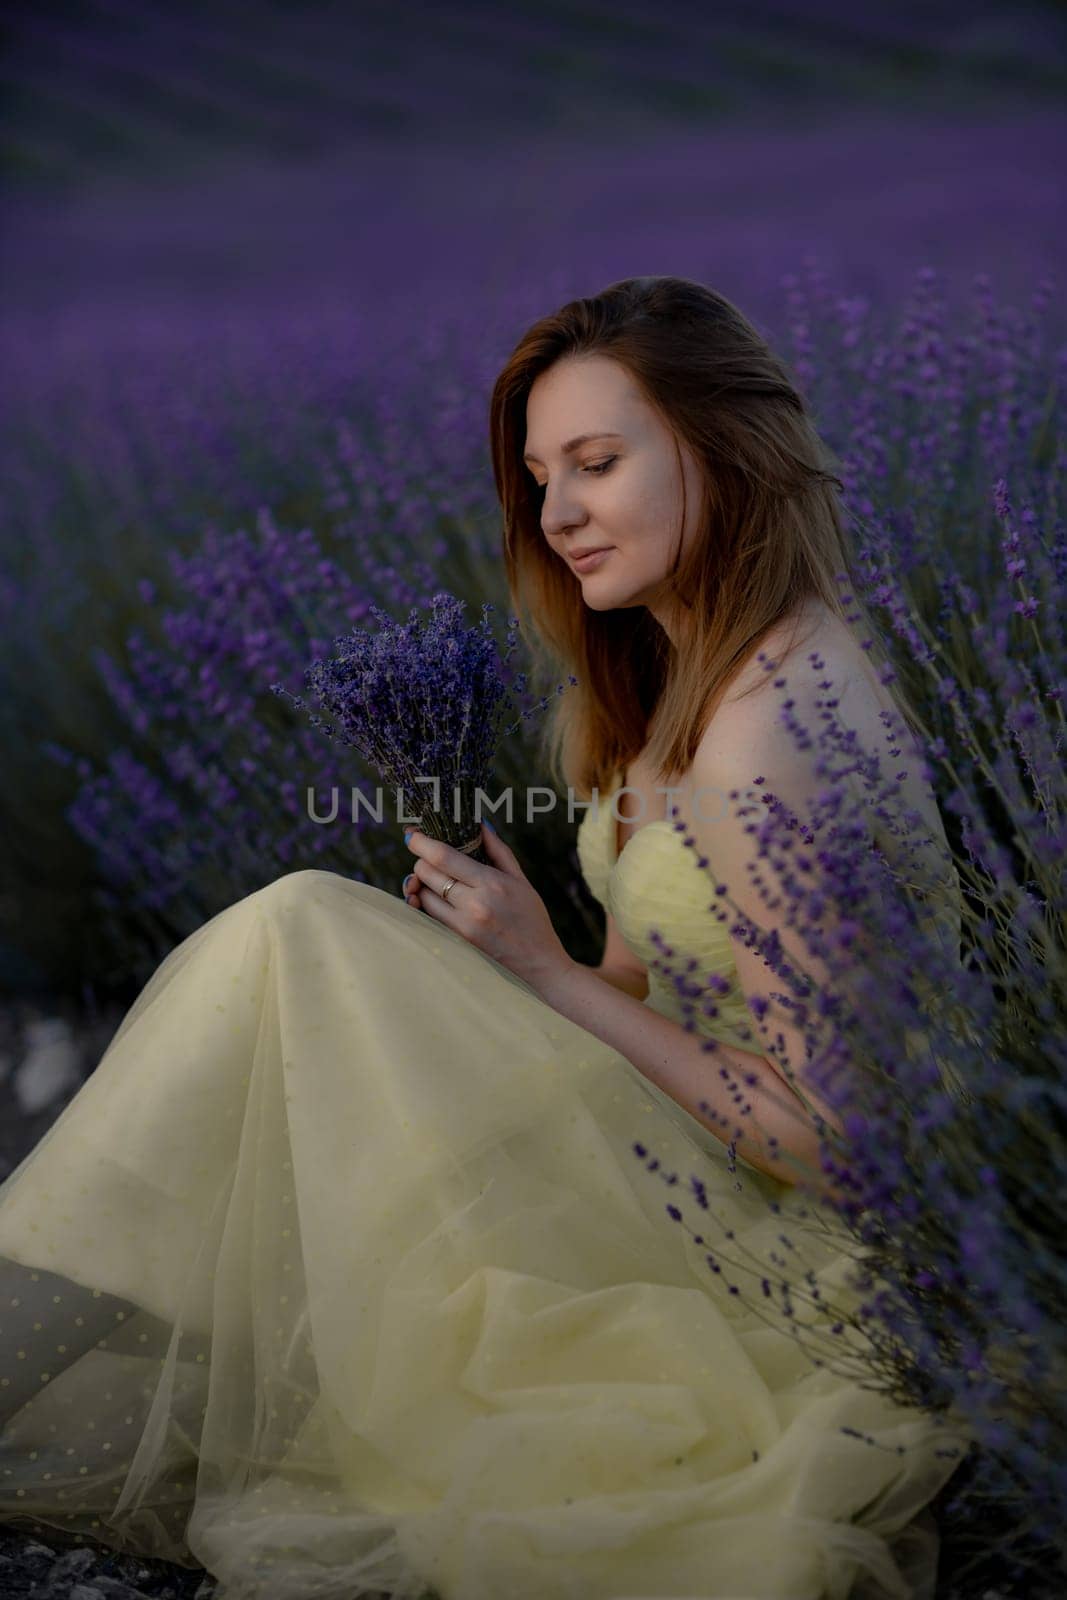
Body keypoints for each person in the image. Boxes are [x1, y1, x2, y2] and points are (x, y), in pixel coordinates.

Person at [0, 276, 970, 1600]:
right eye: (537, 478)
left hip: (795, 1253)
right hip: (694, 1158)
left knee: (297, 931)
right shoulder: (679, 681)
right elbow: (649, 991)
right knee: (325, 972)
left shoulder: (773, 732)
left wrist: (537, 976)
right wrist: (505, 969)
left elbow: (838, 1137)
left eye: (597, 462)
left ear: (725, 450)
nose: (558, 513)